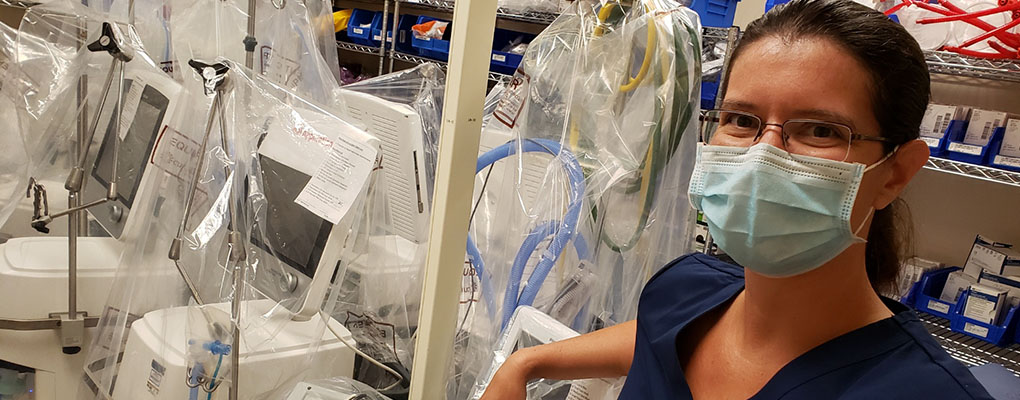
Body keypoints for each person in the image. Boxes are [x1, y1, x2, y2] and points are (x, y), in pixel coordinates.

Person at [480, 0, 995, 398]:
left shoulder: (921, 392)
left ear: (895, 173)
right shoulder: (687, 286)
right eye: (742, 121)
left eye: (819, 129)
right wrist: (530, 362)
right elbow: (658, 337)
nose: (762, 156)